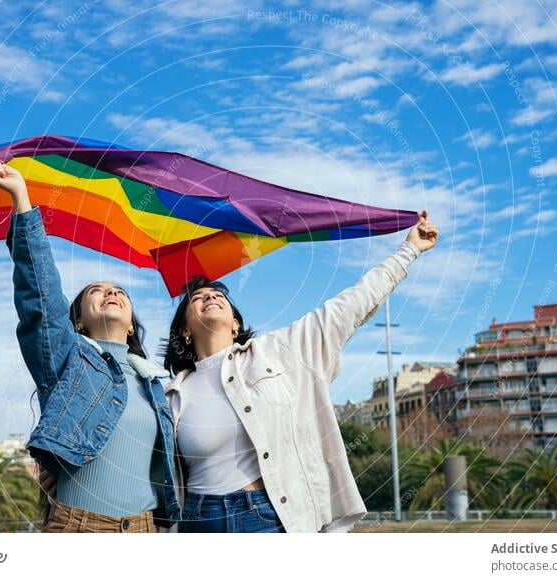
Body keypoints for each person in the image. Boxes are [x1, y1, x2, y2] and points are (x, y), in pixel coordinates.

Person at [163, 211, 438, 532]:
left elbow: (349, 306)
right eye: (197, 298)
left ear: (236, 324)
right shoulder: (173, 394)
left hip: (267, 516)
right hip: (199, 518)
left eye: (218, 295)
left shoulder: (281, 350)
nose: (210, 296)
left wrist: (408, 250)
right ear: (184, 329)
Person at [0, 158, 180, 533]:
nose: (110, 292)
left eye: (119, 291)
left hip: (147, 530)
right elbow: (40, 300)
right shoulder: (68, 358)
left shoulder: (155, 384)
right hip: (80, 528)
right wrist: (22, 200)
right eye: (96, 291)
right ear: (78, 321)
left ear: (131, 326)